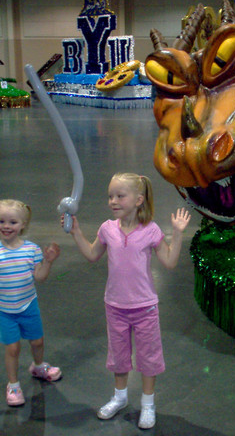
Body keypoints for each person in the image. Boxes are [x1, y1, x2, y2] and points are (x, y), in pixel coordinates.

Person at [64, 172, 191, 429]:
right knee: (119, 357)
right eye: (111, 196)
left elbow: (169, 261)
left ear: (138, 200)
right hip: (115, 306)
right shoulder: (107, 229)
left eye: (120, 196)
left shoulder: (151, 230)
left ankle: (147, 404)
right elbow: (91, 254)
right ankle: (119, 397)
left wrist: (177, 234)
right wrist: (76, 232)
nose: (113, 200)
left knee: (148, 357)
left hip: (145, 307)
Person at [0, 199, 62, 407]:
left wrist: (48, 262)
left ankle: (38, 366)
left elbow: (40, 277)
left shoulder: (32, 250)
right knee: (12, 349)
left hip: (29, 306)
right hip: (5, 311)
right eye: (1, 221)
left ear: (23, 225)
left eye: (13, 222)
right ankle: (13, 385)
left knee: (37, 342)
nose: (6, 226)